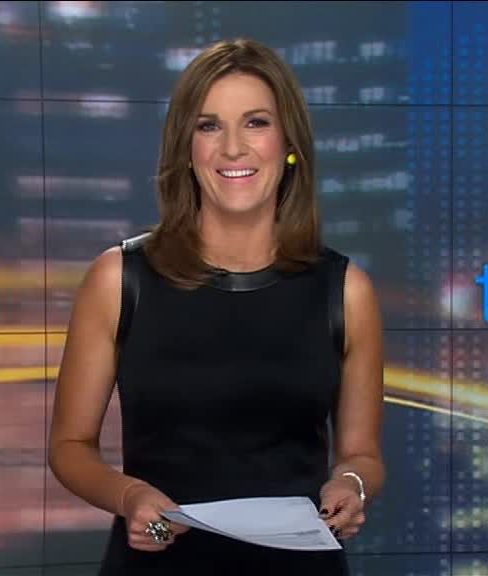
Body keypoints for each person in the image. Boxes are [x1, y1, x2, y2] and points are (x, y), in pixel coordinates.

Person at [48, 38, 385, 574]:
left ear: (289, 143)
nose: (233, 148)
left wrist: (352, 483)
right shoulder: (119, 279)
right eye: (209, 126)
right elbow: (70, 445)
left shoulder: (346, 290)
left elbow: (362, 454)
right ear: (186, 148)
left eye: (256, 123)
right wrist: (129, 496)